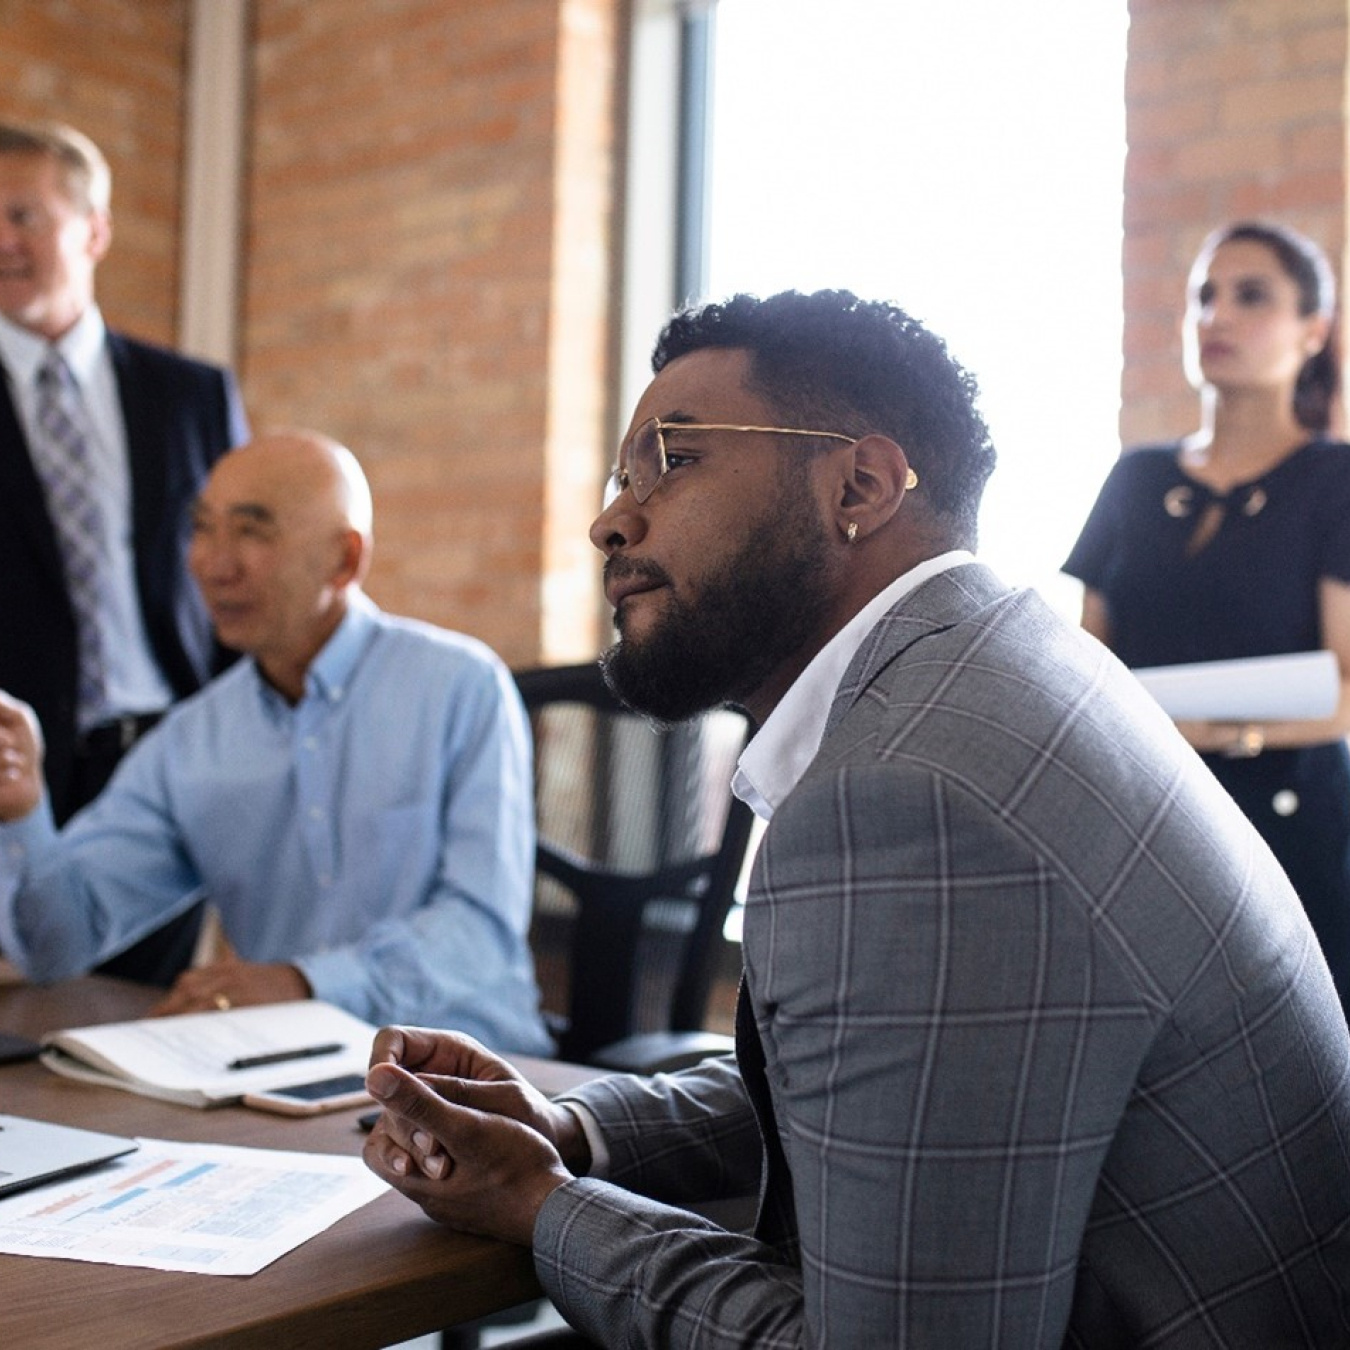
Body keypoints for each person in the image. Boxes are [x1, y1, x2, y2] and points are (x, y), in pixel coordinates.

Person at [361, 290, 1350, 1348]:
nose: (611, 518)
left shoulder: (908, 794)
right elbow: (894, 1090)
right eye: (620, 474)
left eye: (674, 460)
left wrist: (541, 1204)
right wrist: (571, 1128)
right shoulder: (1003, 670)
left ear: (861, 485)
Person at [0, 429, 551, 1054]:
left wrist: (301, 984)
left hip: (477, 1075)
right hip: (277, 1077)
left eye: (252, 530)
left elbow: (479, 933)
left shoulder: (461, 686)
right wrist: (21, 813)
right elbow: (55, 946)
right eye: (203, 528)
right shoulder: (191, 740)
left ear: (344, 561)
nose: (213, 563)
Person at [1064, 220, 1350, 1021]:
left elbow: (1346, 685)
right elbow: (1089, 671)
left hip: (1284, 824)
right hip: (1139, 820)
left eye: (1251, 296)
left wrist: (1222, 735)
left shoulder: (1335, 479)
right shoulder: (1136, 477)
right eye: (1204, 296)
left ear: (1313, 331)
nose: (1216, 316)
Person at [0, 118, 249, 982]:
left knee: (144, 1022)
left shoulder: (192, 395)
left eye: (25, 215)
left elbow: (241, 572)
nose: (3, 240)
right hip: (12, 766)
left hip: (169, 758)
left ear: (95, 230)